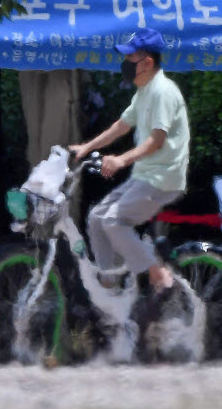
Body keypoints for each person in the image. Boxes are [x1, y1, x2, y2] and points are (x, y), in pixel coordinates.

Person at [69, 28, 190, 293]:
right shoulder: (145, 92)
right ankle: (110, 283)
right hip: (145, 177)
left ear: (147, 62)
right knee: (96, 218)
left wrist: (121, 160)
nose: (125, 64)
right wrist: (86, 147)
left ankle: (157, 273)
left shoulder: (163, 92)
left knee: (114, 220)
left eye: (130, 58)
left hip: (162, 179)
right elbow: (121, 127)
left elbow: (156, 140)